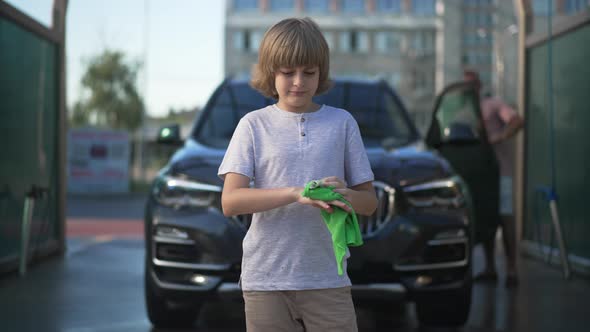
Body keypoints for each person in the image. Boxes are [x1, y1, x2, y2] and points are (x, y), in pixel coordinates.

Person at [218, 17, 378, 332]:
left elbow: (370, 203)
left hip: (327, 278)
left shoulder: (342, 123)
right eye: (288, 72)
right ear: (270, 72)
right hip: (265, 280)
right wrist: (295, 193)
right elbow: (231, 201)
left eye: (309, 72)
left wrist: (346, 196)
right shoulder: (253, 125)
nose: (298, 82)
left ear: (322, 73)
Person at [464, 70, 524, 287]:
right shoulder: (463, 113)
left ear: (479, 86)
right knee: (486, 218)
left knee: (506, 218)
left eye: (472, 85)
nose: (469, 90)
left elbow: (517, 121)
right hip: (479, 176)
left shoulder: (493, 104)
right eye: (465, 86)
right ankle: (490, 267)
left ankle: (511, 269)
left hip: (501, 172)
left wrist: (497, 138)